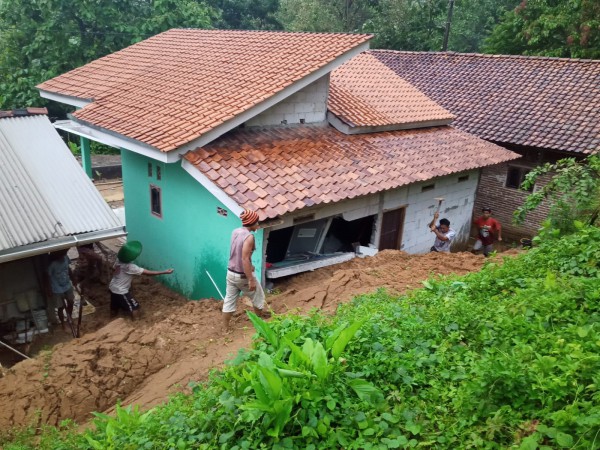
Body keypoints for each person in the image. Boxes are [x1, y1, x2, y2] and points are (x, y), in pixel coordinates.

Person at [223, 209, 269, 332]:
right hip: (242, 275)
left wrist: (251, 265)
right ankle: (259, 322)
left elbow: (239, 254)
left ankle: (226, 329)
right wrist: (251, 279)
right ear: (252, 222)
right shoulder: (249, 237)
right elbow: (244, 259)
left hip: (230, 272)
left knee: (229, 300)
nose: (258, 225)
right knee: (258, 296)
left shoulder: (235, 232)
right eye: (257, 222)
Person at [109, 240, 174, 320]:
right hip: (121, 290)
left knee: (115, 304)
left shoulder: (118, 260)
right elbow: (147, 273)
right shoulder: (130, 267)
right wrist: (164, 272)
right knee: (134, 306)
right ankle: (137, 320)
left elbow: (113, 268)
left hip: (112, 286)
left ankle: (112, 316)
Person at [47, 249, 75, 330]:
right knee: (61, 307)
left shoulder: (65, 257)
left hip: (67, 285)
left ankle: (69, 317)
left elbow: (68, 268)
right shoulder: (52, 264)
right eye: (62, 254)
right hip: (57, 288)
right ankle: (63, 324)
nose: (63, 256)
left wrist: (73, 278)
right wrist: (49, 289)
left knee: (71, 301)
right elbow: (47, 276)